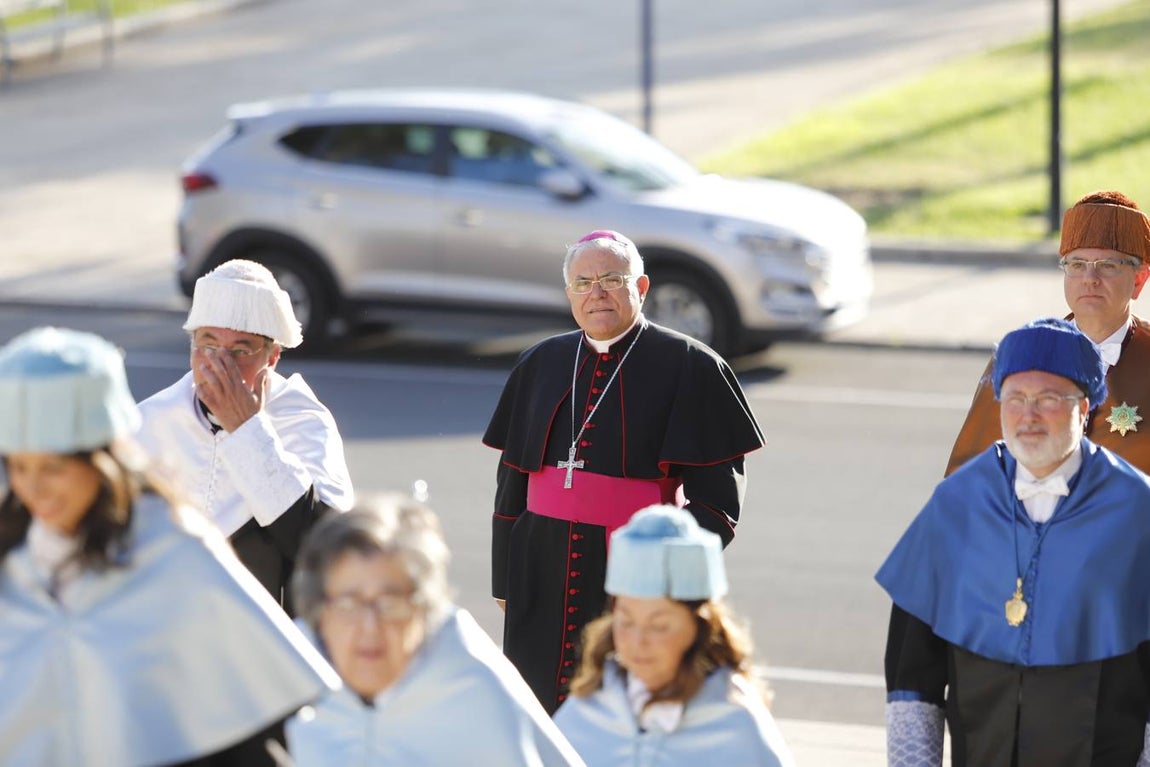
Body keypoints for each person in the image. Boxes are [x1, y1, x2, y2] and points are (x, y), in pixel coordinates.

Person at [0, 327, 340, 767]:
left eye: (55, 468)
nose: (34, 488)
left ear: (106, 458)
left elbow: (254, 715)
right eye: (19, 467)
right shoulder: (11, 558)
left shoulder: (177, 552)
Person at [483, 230, 765, 712]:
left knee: (623, 709)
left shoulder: (693, 367)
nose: (597, 293)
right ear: (569, 293)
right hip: (539, 569)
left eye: (612, 279)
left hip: (630, 579)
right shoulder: (540, 362)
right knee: (536, 712)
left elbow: (717, 506)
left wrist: (663, 583)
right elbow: (511, 482)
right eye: (583, 282)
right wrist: (506, 581)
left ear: (641, 287)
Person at [877, 318, 1150, 765]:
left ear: (1085, 409)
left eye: (1048, 399)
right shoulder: (956, 506)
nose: (1028, 415)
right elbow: (913, 677)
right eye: (1016, 398)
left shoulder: (1137, 512)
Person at [285, 494, 586, 766]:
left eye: (390, 605)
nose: (370, 627)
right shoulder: (283, 676)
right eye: (349, 604)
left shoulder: (475, 689)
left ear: (426, 611)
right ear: (318, 609)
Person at [137, 259, 355, 609]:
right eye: (209, 344)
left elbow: (330, 555)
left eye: (241, 350)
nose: (221, 365)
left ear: (272, 358)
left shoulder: (302, 420)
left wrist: (247, 430)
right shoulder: (149, 421)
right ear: (192, 346)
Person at [554, 504, 795, 767]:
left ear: (701, 626)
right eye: (625, 622)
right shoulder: (585, 711)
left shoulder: (736, 725)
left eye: (659, 626)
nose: (638, 641)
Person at [946, 190, 1150, 475]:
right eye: (1077, 265)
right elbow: (968, 475)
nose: (1090, 279)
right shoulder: (1021, 355)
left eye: (1107, 265)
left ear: (1139, 279)